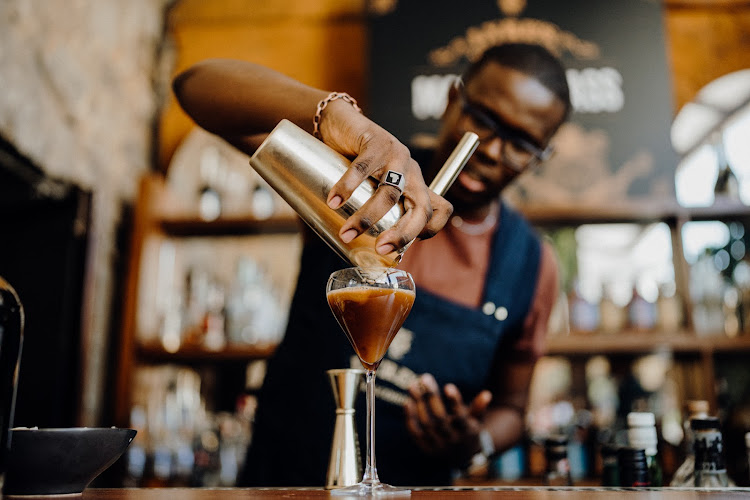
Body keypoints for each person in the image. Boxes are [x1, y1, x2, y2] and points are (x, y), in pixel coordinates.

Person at [172, 42, 571, 487]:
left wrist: (472, 442)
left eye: (522, 144)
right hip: (284, 480)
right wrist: (334, 116)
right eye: (484, 119)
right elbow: (194, 89)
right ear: (452, 100)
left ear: (542, 156)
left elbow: (513, 409)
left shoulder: (532, 265)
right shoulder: (360, 172)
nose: (494, 151)